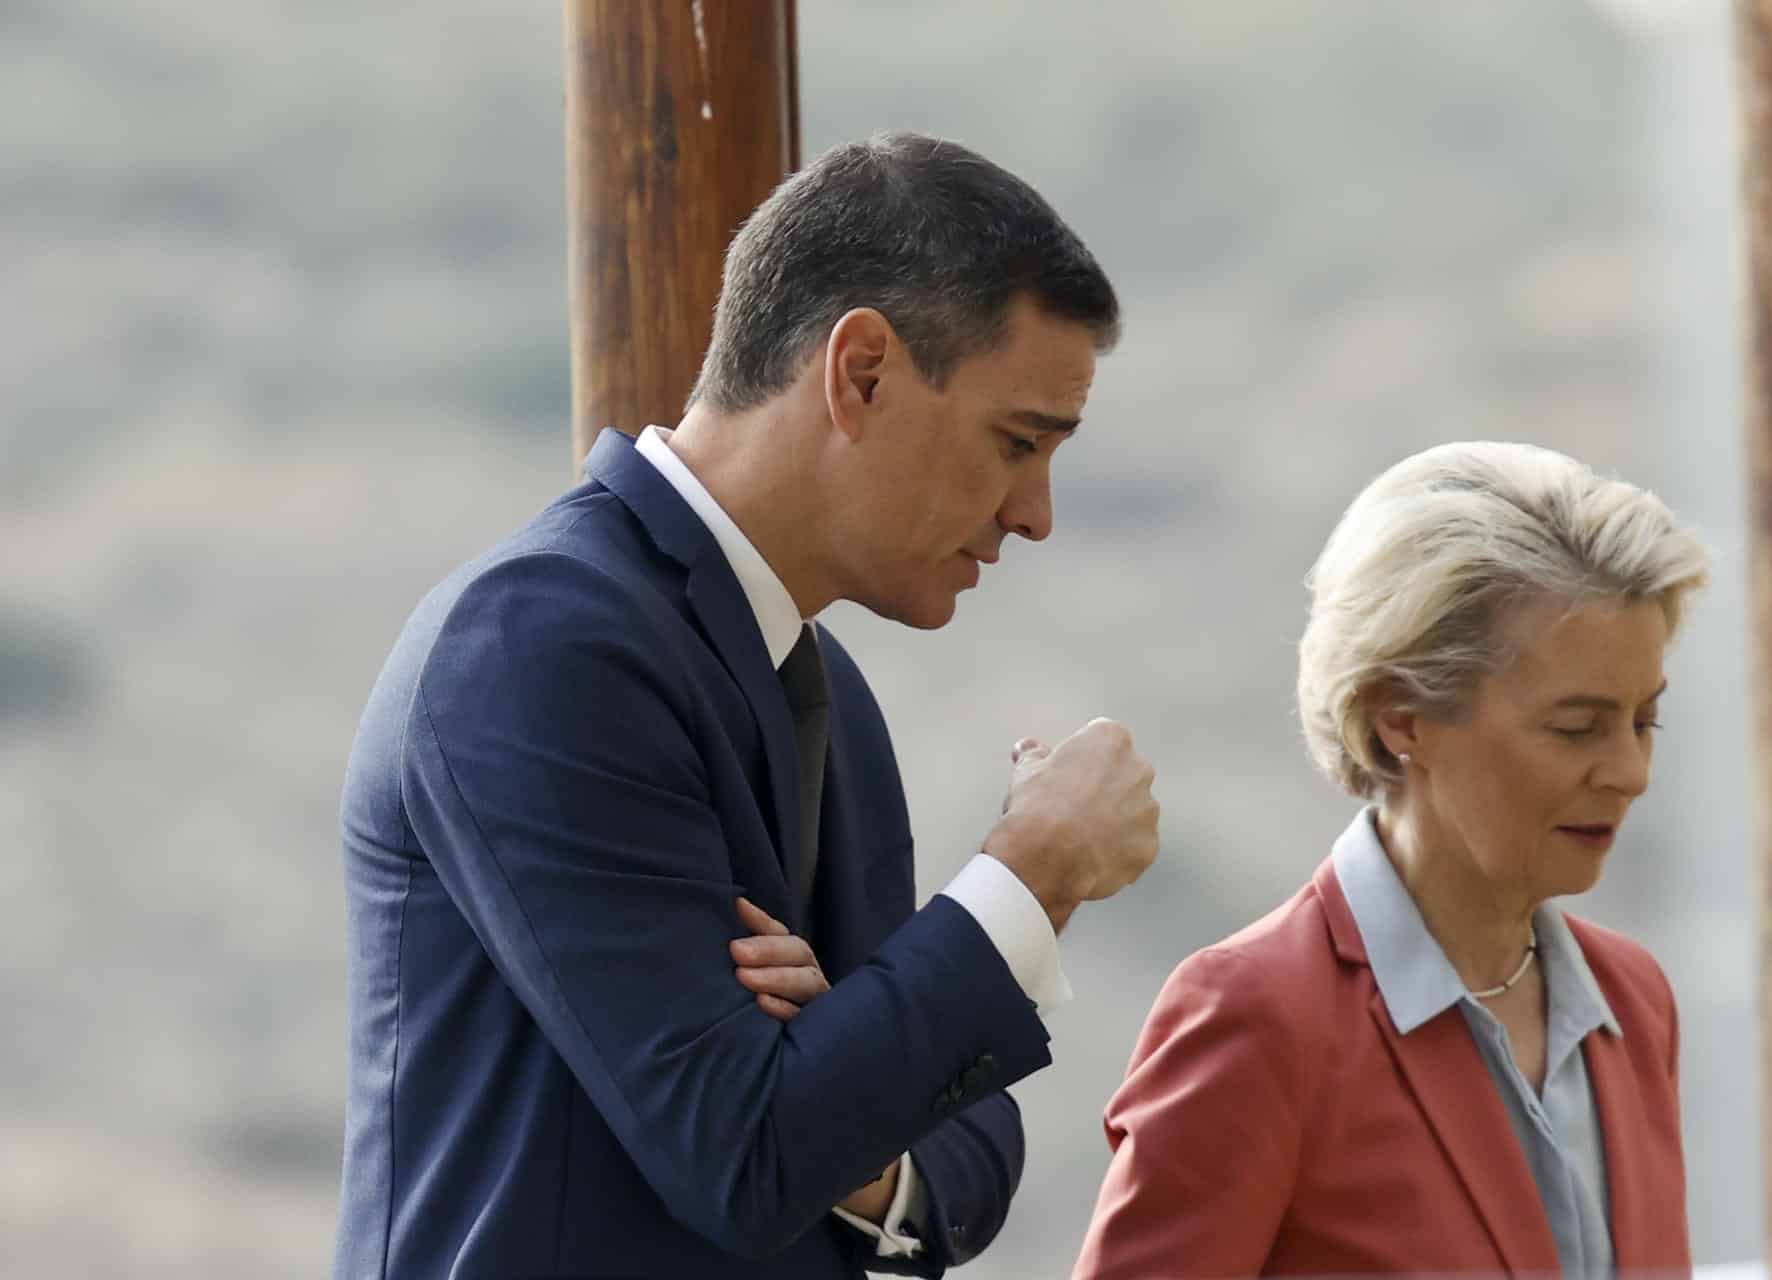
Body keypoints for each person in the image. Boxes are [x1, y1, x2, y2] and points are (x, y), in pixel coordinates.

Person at [333, 132, 1161, 1280]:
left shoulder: (837, 704)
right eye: (1016, 441)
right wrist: (1031, 874)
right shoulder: (536, 645)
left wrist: (849, 1074)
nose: (1037, 512)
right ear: (860, 369)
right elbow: (749, 1152)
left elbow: (969, 1162)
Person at [1074, 441, 1706, 1277]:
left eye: (1644, 721)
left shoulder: (1634, 1003)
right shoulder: (1259, 1017)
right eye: (1576, 726)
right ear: (1398, 718)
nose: (1631, 772)